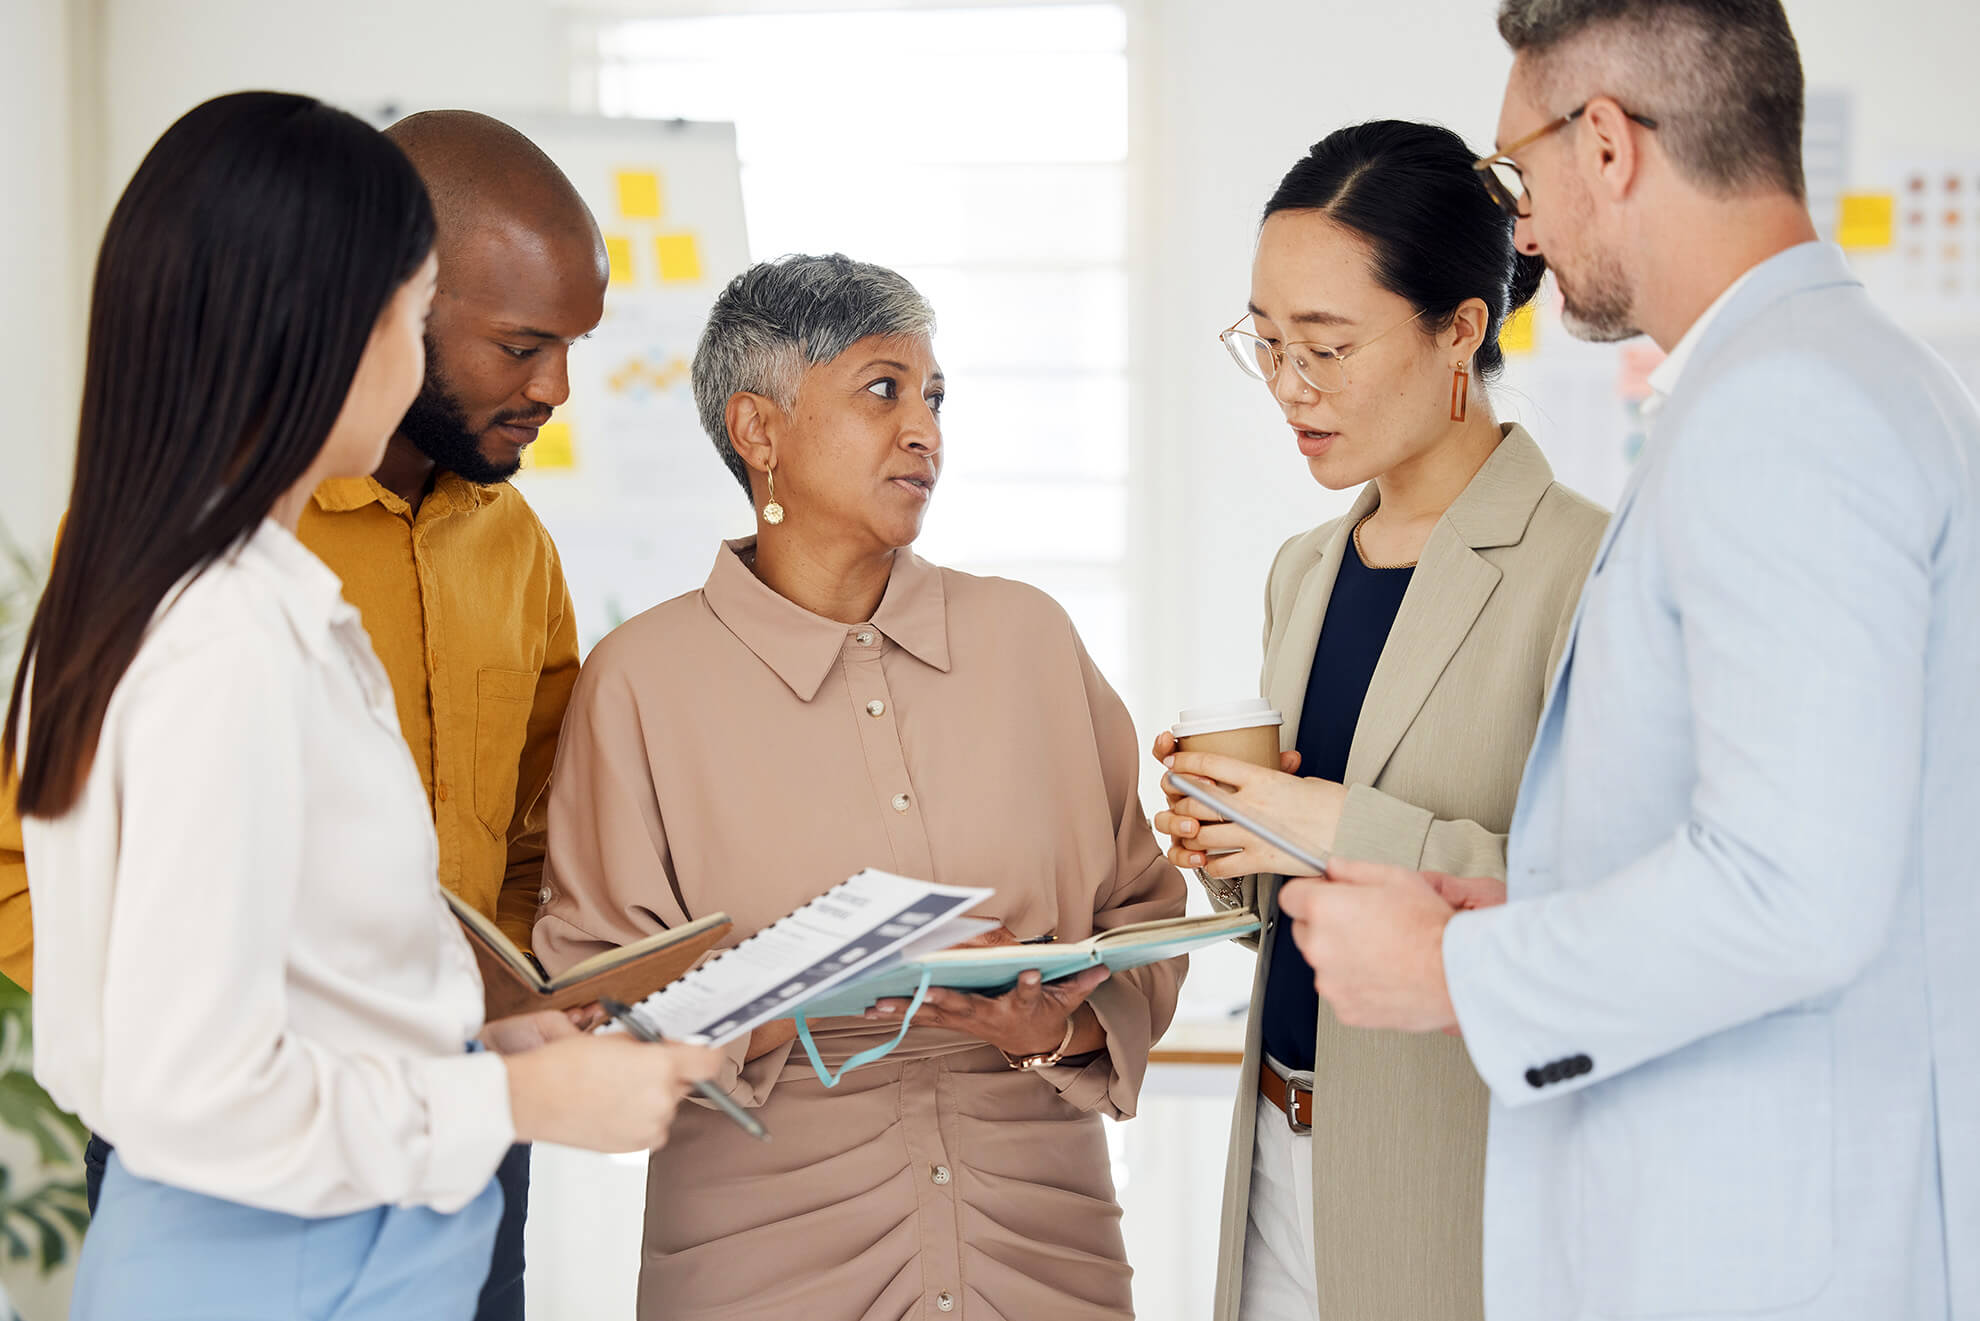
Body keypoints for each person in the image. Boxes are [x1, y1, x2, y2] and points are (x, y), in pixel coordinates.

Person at [1276, 3, 1980, 1319]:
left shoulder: (1787, 408)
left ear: (1605, 144)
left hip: (1766, 1257)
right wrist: (1528, 916)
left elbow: (1794, 890)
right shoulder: (1848, 378)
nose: (1520, 224)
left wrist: (1452, 974)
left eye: (1513, 174)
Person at [4, 91, 715, 1321]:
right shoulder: (218, 641)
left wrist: (485, 1050)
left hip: (381, 1204)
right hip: (276, 1239)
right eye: (405, 306)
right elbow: (192, 1085)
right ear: (332, 329)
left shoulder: (249, 605)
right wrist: (509, 1100)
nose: (554, 388)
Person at [534, 253, 1185, 1321]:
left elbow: (1142, 910)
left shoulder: (1028, 640)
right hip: (765, 1257)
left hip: (1041, 1244)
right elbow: (596, 999)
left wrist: (1052, 1029)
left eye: (934, 397)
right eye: (883, 390)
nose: (923, 429)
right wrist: (803, 993)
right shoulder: (641, 681)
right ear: (759, 432)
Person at [1148, 122, 1606, 1321]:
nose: (1292, 386)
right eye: (1267, 342)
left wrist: (1337, 820)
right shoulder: (1305, 568)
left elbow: (1614, 911)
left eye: (1329, 347)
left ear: (1462, 326)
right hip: (1275, 1156)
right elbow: (1294, 926)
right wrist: (1232, 845)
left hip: (1452, 1177)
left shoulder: (1588, 569)